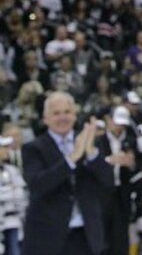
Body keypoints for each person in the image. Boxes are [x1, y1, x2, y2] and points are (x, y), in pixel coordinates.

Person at [22, 91, 113, 255]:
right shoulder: (33, 148)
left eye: (67, 112)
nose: (62, 117)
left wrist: (91, 152)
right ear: (45, 118)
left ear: (74, 115)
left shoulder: (92, 140)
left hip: (87, 234)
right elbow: (37, 185)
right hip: (48, 236)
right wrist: (71, 159)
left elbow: (108, 181)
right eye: (56, 113)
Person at [97, 106, 139, 255]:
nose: (119, 127)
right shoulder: (98, 141)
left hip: (122, 194)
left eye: (123, 124)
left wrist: (131, 163)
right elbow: (92, 165)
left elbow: (138, 167)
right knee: (102, 237)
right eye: (117, 122)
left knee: (121, 237)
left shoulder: (131, 142)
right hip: (102, 195)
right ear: (108, 120)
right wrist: (110, 160)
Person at [0, 135, 27, 255]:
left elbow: (20, 194)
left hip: (13, 220)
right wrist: (9, 191)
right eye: (3, 147)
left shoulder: (11, 170)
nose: (7, 150)